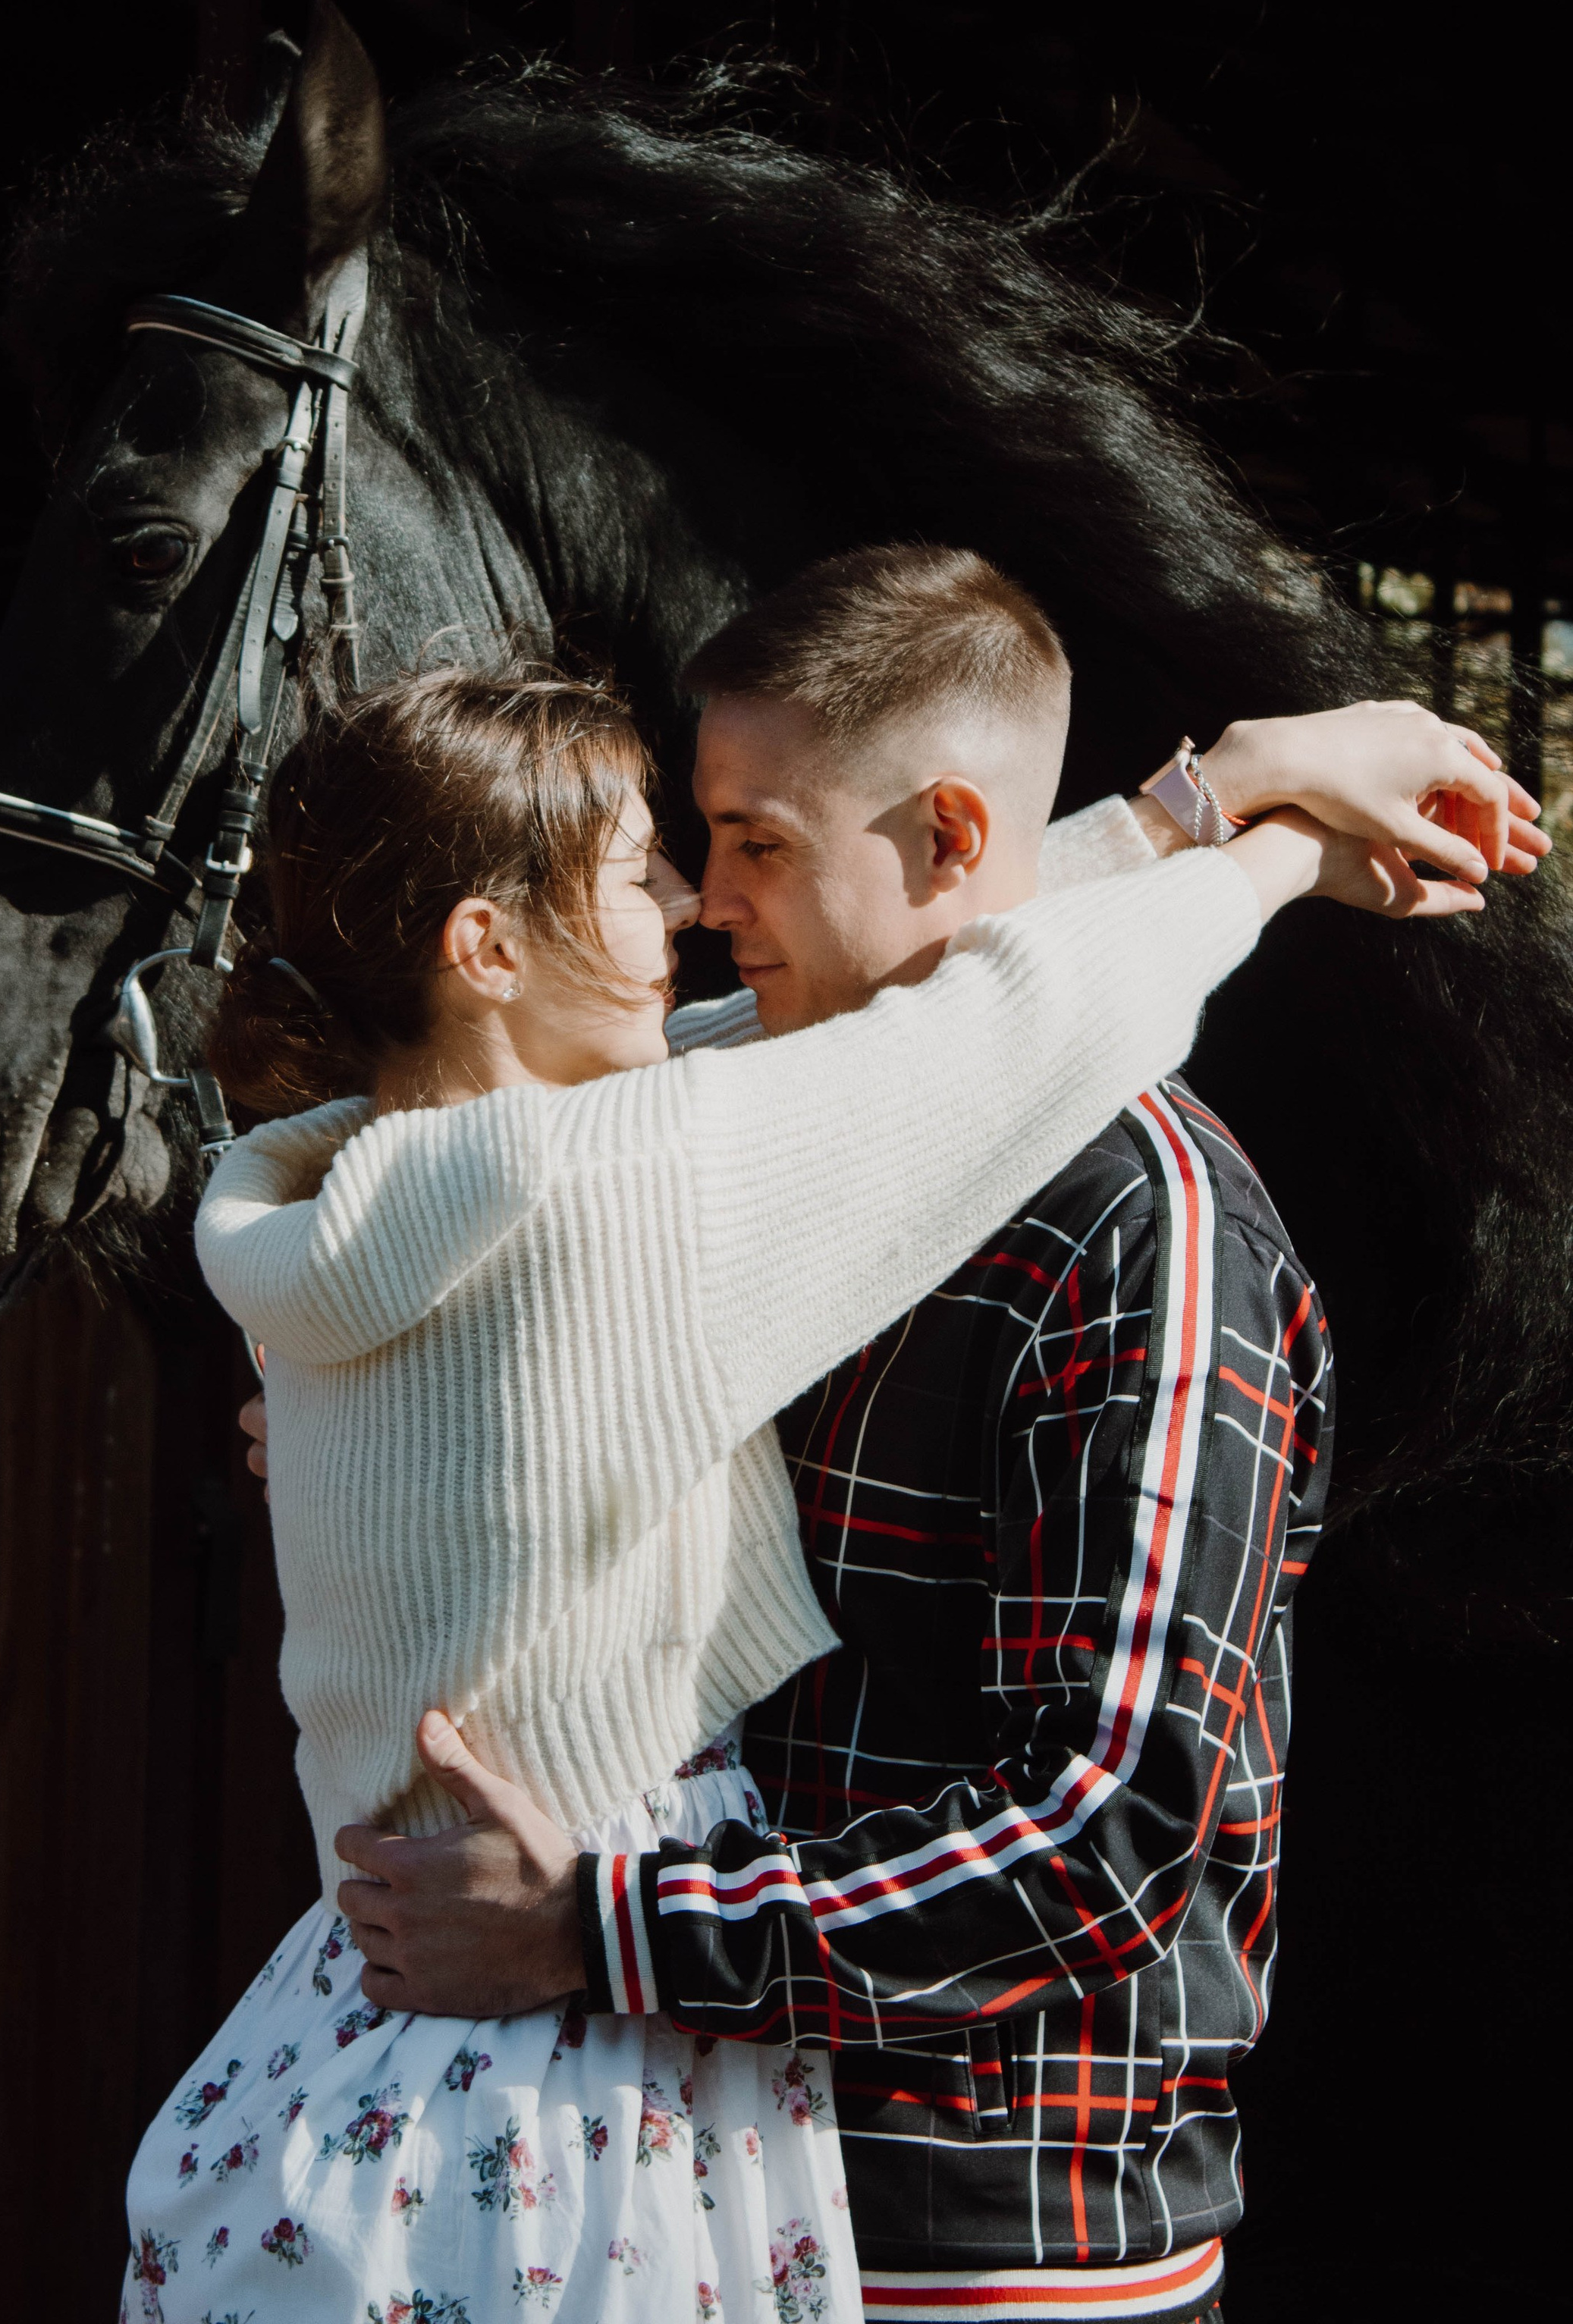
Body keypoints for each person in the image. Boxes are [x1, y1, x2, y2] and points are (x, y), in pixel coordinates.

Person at [133, 586, 1533, 2324]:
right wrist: (1255, 837)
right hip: (654, 2128)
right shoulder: (629, 1191)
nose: (700, 910)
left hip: (981, 2215)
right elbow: (973, 1030)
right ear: (487, 950)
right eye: (661, 859)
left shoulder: (378, 1197)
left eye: (738, 844)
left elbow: (1108, 1823)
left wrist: (1218, 809)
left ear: (942, 831)